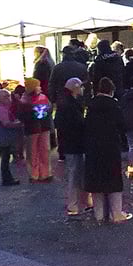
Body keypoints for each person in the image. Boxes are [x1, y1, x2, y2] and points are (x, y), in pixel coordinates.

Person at [82, 78, 132, 223]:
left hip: (93, 147)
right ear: (111, 90)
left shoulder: (91, 106)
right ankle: (116, 214)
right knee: (113, 179)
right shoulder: (114, 105)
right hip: (110, 146)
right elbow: (122, 125)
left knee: (96, 181)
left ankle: (98, 214)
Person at [55, 77, 90, 217]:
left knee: (77, 174)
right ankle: (75, 204)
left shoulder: (67, 103)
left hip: (72, 144)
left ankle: (80, 203)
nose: (82, 89)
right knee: (75, 175)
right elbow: (77, 124)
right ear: (75, 88)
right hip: (74, 144)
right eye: (80, 87)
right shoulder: (70, 106)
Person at [20, 78, 53, 182]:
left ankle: (45, 173)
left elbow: (50, 108)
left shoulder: (43, 97)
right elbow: (22, 115)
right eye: (37, 86)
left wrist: (45, 111)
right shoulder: (24, 100)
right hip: (32, 128)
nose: (40, 87)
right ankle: (34, 174)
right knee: (32, 151)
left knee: (45, 149)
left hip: (43, 127)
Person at [0, 89, 22, 186]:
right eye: (5, 97)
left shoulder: (1, 108)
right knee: (5, 158)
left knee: (5, 158)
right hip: (5, 137)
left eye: (9, 96)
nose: (8, 99)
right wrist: (19, 124)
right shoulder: (2, 110)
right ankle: (7, 179)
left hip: (3, 137)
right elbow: (6, 124)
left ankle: (7, 178)